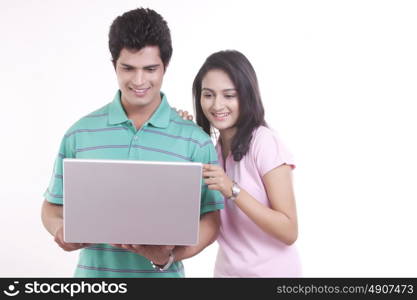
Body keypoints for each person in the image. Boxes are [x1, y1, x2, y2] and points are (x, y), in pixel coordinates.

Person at [41, 8, 223, 278]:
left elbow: (211, 220)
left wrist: (168, 257)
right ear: (114, 64)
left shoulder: (195, 141)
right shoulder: (79, 133)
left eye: (150, 69)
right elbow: (52, 206)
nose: (139, 81)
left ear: (166, 66)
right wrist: (59, 229)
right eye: (128, 68)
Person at [181, 50, 301, 277]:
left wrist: (232, 189)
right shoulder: (211, 151)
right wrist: (181, 135)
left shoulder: (264, 142)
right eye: (208, 95)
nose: (217, 105)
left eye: (229, 95)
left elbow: (289, 230)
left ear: (246, 95)